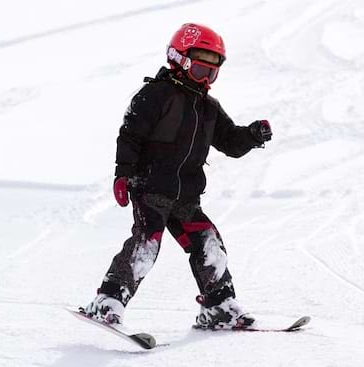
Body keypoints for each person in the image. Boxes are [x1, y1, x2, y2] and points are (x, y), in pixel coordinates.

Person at [82, 23, 272, 330]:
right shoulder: (155, 95)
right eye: (200, 70)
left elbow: (230, 143)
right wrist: (123, 175)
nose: (206, 79)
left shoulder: (208, 107)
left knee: (209, 242)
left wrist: (251, 135)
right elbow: (129, 136)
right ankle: (108, 300)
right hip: (151, 189)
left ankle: (219, 306)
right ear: (179, 59)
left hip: (186, 197)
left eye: (212, 73)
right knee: (147, 244)